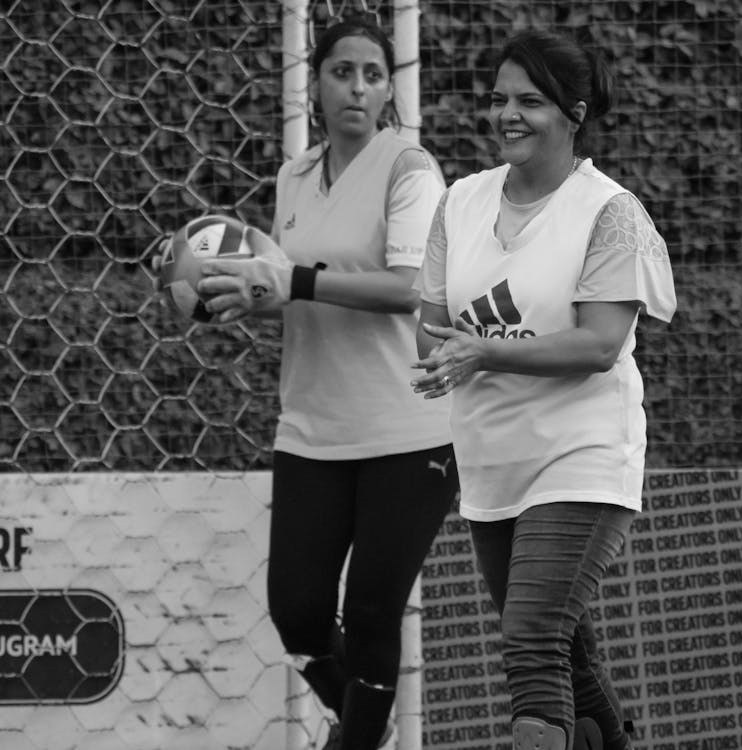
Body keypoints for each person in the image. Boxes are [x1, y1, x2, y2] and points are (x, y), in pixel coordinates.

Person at [193, 17, 457, 750]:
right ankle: (361, 727)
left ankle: (355, 740)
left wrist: (295, 279)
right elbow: (290, 293)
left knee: (373, 614)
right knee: (300, 614)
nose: (358, 88)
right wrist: (234, 292)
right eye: (343, 71)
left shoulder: (411, 167)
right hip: (311, 428)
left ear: (388, 91)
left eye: (374, 75)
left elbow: (410, 289)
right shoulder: (295, 175)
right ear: (316, 82)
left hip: (408, 433)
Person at [411, 29, 676, 750]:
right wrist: (445, 358)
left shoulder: (612, 212)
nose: (507, 115)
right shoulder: (459, 203)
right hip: (493, 460)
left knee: (529, 639)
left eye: (530, 100)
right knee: (570, 657)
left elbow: (597, 344)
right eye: (498, 99)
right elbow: (430, 330)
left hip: (582, 455)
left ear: (575, 113)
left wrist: (482, 352)